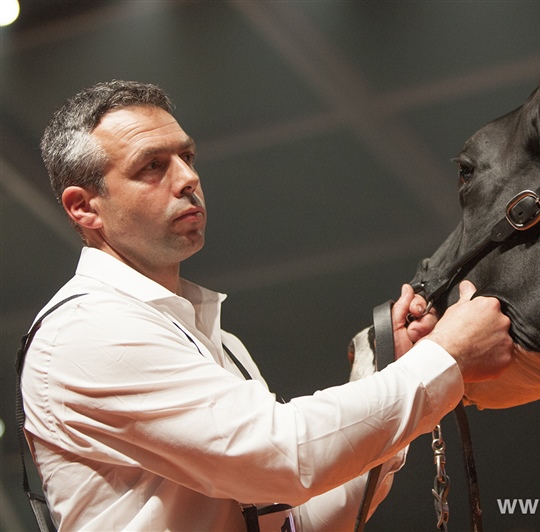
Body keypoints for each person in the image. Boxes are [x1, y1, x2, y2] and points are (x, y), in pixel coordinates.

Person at [20, 80, 514, 531]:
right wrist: (445, 357)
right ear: (84, 206)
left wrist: (389, 367)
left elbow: (297, 519)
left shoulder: (212, 336)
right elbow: (284, 458)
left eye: (187, 156)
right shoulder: (88, 329)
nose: (188, 177)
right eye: (152, 166)